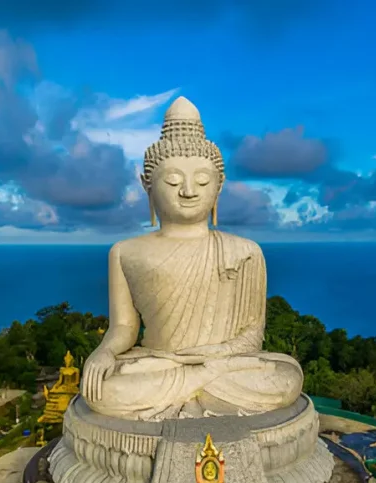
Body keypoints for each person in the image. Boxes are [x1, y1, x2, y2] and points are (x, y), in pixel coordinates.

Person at [80, 97, 303, 422]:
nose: (188, 191)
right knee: (104, 388)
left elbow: (253, 334)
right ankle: (196, 393)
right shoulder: (124, 252)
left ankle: (191, 391)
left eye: (201, 181)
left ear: (219, 185)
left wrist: (210, 357)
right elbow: (125, 327)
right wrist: (103, 352)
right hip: (161, 363)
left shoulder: (245, 251)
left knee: (286, 378)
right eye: (172, 181)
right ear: (147, 185)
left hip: (224, 365)